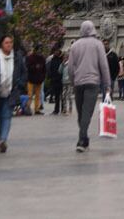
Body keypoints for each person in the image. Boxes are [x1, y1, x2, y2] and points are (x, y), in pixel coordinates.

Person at [70, 20, 112, 152]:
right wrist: (107, 84)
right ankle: (82, 140)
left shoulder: (75, 45)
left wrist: (73, 81)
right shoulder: (98, 44)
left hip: (78, 83)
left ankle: (83, 138)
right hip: (93, 83)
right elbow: (104, 66)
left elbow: (71, 67)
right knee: (87, 113)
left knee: (81, 113)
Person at [0, 34, 28, 153]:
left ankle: (3, 140)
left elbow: (24, 72)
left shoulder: (17, 57)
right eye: (6, 43)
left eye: (10, 43)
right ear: (1, 44)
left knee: (7, 115)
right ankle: (1, 139)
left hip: (11, 91)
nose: (9, 45)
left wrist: (20, 84)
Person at [25, 44, 47, 115]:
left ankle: (36, 109)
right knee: (30, 95)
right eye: (39, 49)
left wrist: (43, 77)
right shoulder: (30, 57)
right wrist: (35, 67)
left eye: (40, 50)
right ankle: (28, 108)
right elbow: (27, 67)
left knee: (38, 95)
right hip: (31, 78)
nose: (40, 51)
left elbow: (44, 69)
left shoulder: (42, 58)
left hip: (39, 79)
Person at [47, 44, 65, 115]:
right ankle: (56, 109)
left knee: (63, 96)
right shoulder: (53, 59)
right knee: (57, 96)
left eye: (57, 51)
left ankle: (63, 108)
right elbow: (50, 69)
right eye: (55, 51)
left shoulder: (62, 59)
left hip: (62, 79)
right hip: (55, 80)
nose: (56, 52)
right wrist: (50, 77)